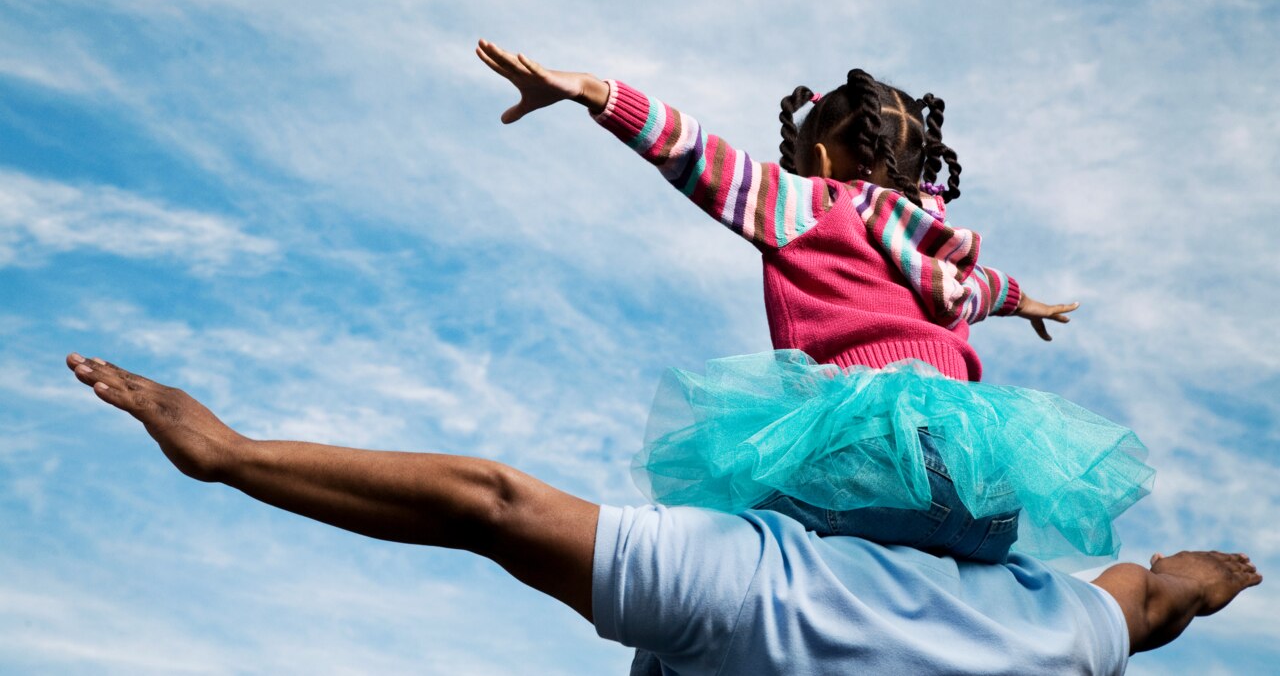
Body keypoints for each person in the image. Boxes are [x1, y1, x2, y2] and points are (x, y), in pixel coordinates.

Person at [65, 353, 1260, 675]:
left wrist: (228, 455)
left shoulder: (763, 577)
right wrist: (1220, 571)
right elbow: (1153, 597)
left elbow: (487, 502)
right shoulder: (1052, 623)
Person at [476, 39, 1153, 570]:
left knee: (709, 557)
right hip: (984, 488)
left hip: (873, 460)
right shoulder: (941, 250)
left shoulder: (813, 205)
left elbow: (695, 153)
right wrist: (1027, 301)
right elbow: (987, 291)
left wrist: (593, 90)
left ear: (821, 158)